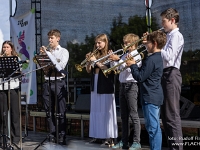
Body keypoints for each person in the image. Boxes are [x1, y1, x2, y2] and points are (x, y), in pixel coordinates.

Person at [126, 30, 167, 150]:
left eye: (147, 43)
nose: (145, 45)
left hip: (150, 96)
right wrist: (145, 40)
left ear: (154, 43)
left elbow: (140, 77)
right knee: (154, 128)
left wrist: (132, 65)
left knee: (153, 129)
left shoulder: (151, 59)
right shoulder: (158, 57)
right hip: (154, 95)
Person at [109, 33, 142, 150]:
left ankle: (137, 142)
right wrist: (113, 59)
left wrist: (119, 59)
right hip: (122, 85)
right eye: (125, 43)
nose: (125, 45)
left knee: (134, 114)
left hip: (132, 85)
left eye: (127, 43)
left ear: (134, 44)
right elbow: (117, 69)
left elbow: (132, 68)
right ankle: (124, 141)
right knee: (123, 116)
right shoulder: (124, 55)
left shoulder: (136, 55)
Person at [85, 33, 118, 146]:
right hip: (95, 83)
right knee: (96, 111)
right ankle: (97, 135)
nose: (97, 44)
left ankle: (108, 137)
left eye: (99, 42)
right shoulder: (95, 54)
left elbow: (107, 69)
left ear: (105, 42)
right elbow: (89, 71)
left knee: (105, 112)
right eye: (96, 43)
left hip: (105, 85)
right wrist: (89, 62)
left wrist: (95, 61)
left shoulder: (110, 54)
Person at [160, 8, 184, 150]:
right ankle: (171, 146)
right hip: (164, 74)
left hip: (172, 74)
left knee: (172, 116)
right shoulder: (168, 36)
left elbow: (169, 57)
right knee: (165, 116)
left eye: (164, 21)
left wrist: (156, 47)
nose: (162, 24)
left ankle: (177, 148)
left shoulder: (176, 36)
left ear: (172, 20)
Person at [40, 29, 69, 145]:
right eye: (49, 38)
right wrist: (42, 57)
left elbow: (61, 65)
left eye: (52, 38)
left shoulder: (63, 51)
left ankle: (62, 135)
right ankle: (52, 134)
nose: (49, 40)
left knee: (61, 111)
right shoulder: (47, 52)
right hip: (47, 82)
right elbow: (42, 68)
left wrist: (48, 54)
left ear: (58, 38)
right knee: (48, 111)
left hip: (58, 82)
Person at [0, 41, 21, 147]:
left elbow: (19, 72)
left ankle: (16, 137)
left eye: (7, 47)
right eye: (4, 47)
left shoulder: (16, 59)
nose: (5, 49)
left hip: (13, 88)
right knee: (2, 114)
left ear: (12, 48)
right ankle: (3, 137)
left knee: (14, 113)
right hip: (2, 88)